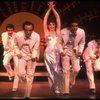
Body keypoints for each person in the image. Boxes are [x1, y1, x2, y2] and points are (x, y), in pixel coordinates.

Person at [14, 21, 40, 99]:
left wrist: (34, 56)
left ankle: (27, 95)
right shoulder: (18, 35)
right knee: (20, 74)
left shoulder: (36, 36)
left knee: (30, 75)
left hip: (32, 56)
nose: (28, 32)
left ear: (32, 30)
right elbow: (15, 44)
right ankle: (26, 85)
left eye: (30, 30)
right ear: (23, 29)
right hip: (22, 55)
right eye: (26, 30)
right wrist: (17, 52)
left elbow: (36, 48)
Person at [60, 20, 85, 96]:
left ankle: (71, 80)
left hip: (75, 51)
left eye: (76, 26)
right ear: (69, 26)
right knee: (65, 70)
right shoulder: (63, 31)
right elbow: (59, 43)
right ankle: (66, 90)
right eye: (73, 26)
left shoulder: (81, 32)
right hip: (65, 51)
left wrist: (80, 51)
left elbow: (82, 42)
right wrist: (61, 51)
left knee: (77, 69)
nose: (74, 27)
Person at [43, 1, 63, 95]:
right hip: (47, 53)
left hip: (56, 54)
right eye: (50, 24)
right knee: (49, 71)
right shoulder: (46, 32)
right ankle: (55, 87)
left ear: (55, 26)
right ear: (48, 26)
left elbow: (58, 18)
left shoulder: (58, 31)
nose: (51, 26)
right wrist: (49, 9)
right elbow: (45, 19)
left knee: (56, 70)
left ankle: (57, 86)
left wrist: (53, 8)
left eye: (53, 24)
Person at [1, 24, 19, 92]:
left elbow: (18, 44)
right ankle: (11, 73)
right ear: (6, 30)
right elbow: (4, 43)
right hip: (8, 51)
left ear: (13, 30)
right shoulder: (4, 34)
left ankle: (15, 86)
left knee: (17, 67)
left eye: (11, 30)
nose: (10, 32)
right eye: (9, 30)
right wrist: (5, 47)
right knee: (5, 63)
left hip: (15, 51)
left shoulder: (16, 34)